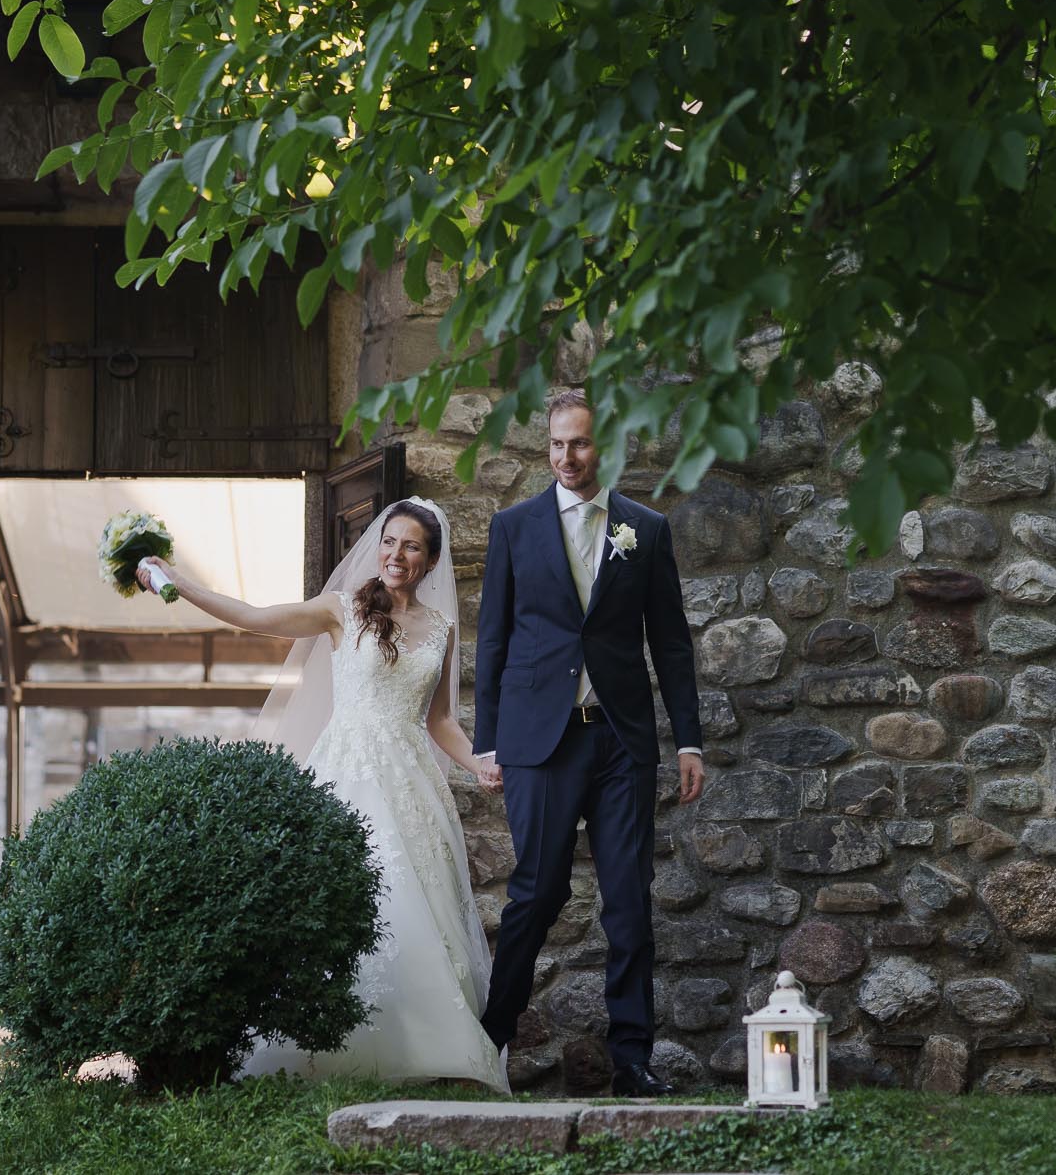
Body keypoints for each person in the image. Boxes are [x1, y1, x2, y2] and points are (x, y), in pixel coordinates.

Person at [138, 497, 509, 1092]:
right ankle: (322, 1051)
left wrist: (478, 764)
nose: (397, 555)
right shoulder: (342, 611)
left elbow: (440, 720)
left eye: (412, 546)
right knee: (347, 901)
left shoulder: (440, 630)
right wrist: (177, 582)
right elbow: (256, 616)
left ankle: (426, 1053)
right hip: (346, 773)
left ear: (430, 560)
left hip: (412, 781)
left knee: (418, 909)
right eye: (390, 542)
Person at [474, 388, 706, 1097]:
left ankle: (633, 1059)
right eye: (555, 444)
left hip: (621, 742)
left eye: (578, 444)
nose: (565, 457)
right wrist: (487, 741)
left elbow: (669, 643)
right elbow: (493, 639)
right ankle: (489, 1043)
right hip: (538, 743)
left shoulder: (646, 528)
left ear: (606, 447)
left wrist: (689, 740)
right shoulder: (514, 526)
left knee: (630, 902)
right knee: (536, 895)